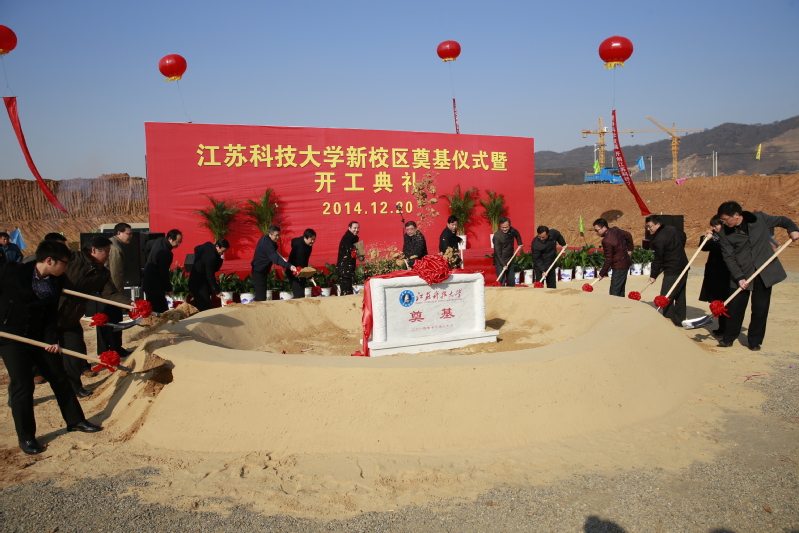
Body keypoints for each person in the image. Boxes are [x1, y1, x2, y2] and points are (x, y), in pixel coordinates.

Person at [0, 240, 102, 456]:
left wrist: (51, 339)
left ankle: (75, 421)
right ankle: (27, 437)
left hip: (39, 338)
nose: (66, 267)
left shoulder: (56, 281)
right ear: (49, 260)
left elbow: (49, 315)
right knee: (23, 385)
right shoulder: (12, 271)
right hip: (11, 337)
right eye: (64, 263)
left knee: (59, 377)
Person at [715, 201, 799, 351]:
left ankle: (754, 341)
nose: (724, 222)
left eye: (726, 219)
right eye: (722, 220)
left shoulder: (759, 218)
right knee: (734, 308)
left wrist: (793, 230)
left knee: (760, 308)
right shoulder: (724, 233)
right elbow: (729, 257)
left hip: (764, 271)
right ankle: (728, 338)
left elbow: (782, 220)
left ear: (736, 215)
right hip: (742, 272)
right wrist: (739, 277)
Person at [58, 235, 130, 397]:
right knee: (40, 356)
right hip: (49, 316)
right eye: (106, 251)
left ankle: (74, 388)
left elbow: (110, 294)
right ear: (93, 250)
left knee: (75, 352)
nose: (108, 255)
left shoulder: (102, 273)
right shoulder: (72, 259)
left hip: (71, 319)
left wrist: (130, 304)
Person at [97, 223, 133, 357]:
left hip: (106, 291)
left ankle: (110, 348)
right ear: (119, 233)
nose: (131, 236)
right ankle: (114, 348)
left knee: (106, 322)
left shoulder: (113, 245)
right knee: (113, 322)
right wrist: (120, 298)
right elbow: (116, 275)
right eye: (128, 233)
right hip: (111, 293)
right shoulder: (115, 248)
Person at [646, 215, 689, 326]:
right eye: (647, 227)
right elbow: (683, 236)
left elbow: (658, 259)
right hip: (683, 265)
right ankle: (680, 319)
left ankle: (669, 319)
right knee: (680, 294)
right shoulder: (672, 228)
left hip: (672, 269)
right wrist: (679, 249)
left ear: (657, 224)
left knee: (666, 295)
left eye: (650, 226)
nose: (648, 229)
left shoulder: (659, 239)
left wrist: (653, 275)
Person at [698, 216, 732, 337]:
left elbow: (720, 249)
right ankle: (722, 327)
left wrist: (711, 240)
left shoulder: (728, 236)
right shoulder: (715, 236)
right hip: (714, 273)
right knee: (717, 300)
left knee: (726, 301)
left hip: (725, 273)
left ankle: (727, 328)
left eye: (716, 225)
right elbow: (703, 247)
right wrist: (705, 238)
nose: (714, 228)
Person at [141, 229, 183, 313]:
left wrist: (149, 259)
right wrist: (169, 289)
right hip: (156, 285)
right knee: (161, 311)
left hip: (147, 280)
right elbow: (164, 273)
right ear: (170, 239)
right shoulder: (166, 253)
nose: (178, 244)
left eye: (180, 242)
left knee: (152, 309)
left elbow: (148, 245)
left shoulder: (159, 240)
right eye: (177, 242)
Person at [251, 226, 297, 301]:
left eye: (279, 235)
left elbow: (275, 253)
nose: (277, 237)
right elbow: (276, 259)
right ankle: (260, 307)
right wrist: (289, 266)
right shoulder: (267, 245)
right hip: (259, 271)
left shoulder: (265, 238)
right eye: (276, 235)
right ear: (270, 234)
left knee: (262, 292)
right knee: (261, 295)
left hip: (262, 270)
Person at [594, 218, 634, 297]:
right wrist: (630, 249)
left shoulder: (606, 241)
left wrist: (602, 273)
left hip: (619, 266)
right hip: (625, 263)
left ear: (604, 228)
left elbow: (609, 259)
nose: (596, 233)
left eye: (597, 230)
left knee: (614, 292)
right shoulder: (615, 230)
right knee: (620, 290)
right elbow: (628, 235)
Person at [188, 239, 229, 311]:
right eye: (222, 251)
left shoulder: (208, 244)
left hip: (196, 279)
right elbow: (210, 275)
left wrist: (200, 261)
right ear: (217, 246)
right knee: (204, 306)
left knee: (200, 304)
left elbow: (196, 248)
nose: (222, 253)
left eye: (224, 251)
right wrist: (217, 291)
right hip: (199, 283)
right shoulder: (211, 258)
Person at [492, 217, 524, 286]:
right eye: (502, 227)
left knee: (511, 281)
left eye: (506, 227)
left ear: (509, 225)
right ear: (500, 226)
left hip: (510, 258)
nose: (504, 229)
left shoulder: (512, 230)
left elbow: (517, 234)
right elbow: (497, 253)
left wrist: (519, 243)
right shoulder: (497, 236)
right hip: (500, 261)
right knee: (501, 282)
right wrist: (504, 264)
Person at [286, 229, 316, 298]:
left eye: (314, 239)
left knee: (301, 291)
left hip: (302, 270)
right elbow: (301, 264)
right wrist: (309, 275)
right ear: (305, 238)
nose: (313, 241)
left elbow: (293, 240)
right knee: (299, 294)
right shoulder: (300, 249)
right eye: (311, 239)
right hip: (295, 272)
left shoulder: (306, 243)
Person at [337, 221, 364, 295]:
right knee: (345, 292)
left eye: (358, 228)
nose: (356, 230)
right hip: (344, 270)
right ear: (349, 228)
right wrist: (360, 254)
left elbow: (356, 250)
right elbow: (351, 250)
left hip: (349, 269)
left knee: (349, 291)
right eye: (354, 228)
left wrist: (361, 255)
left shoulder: (354, 237)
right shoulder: (347, 237)